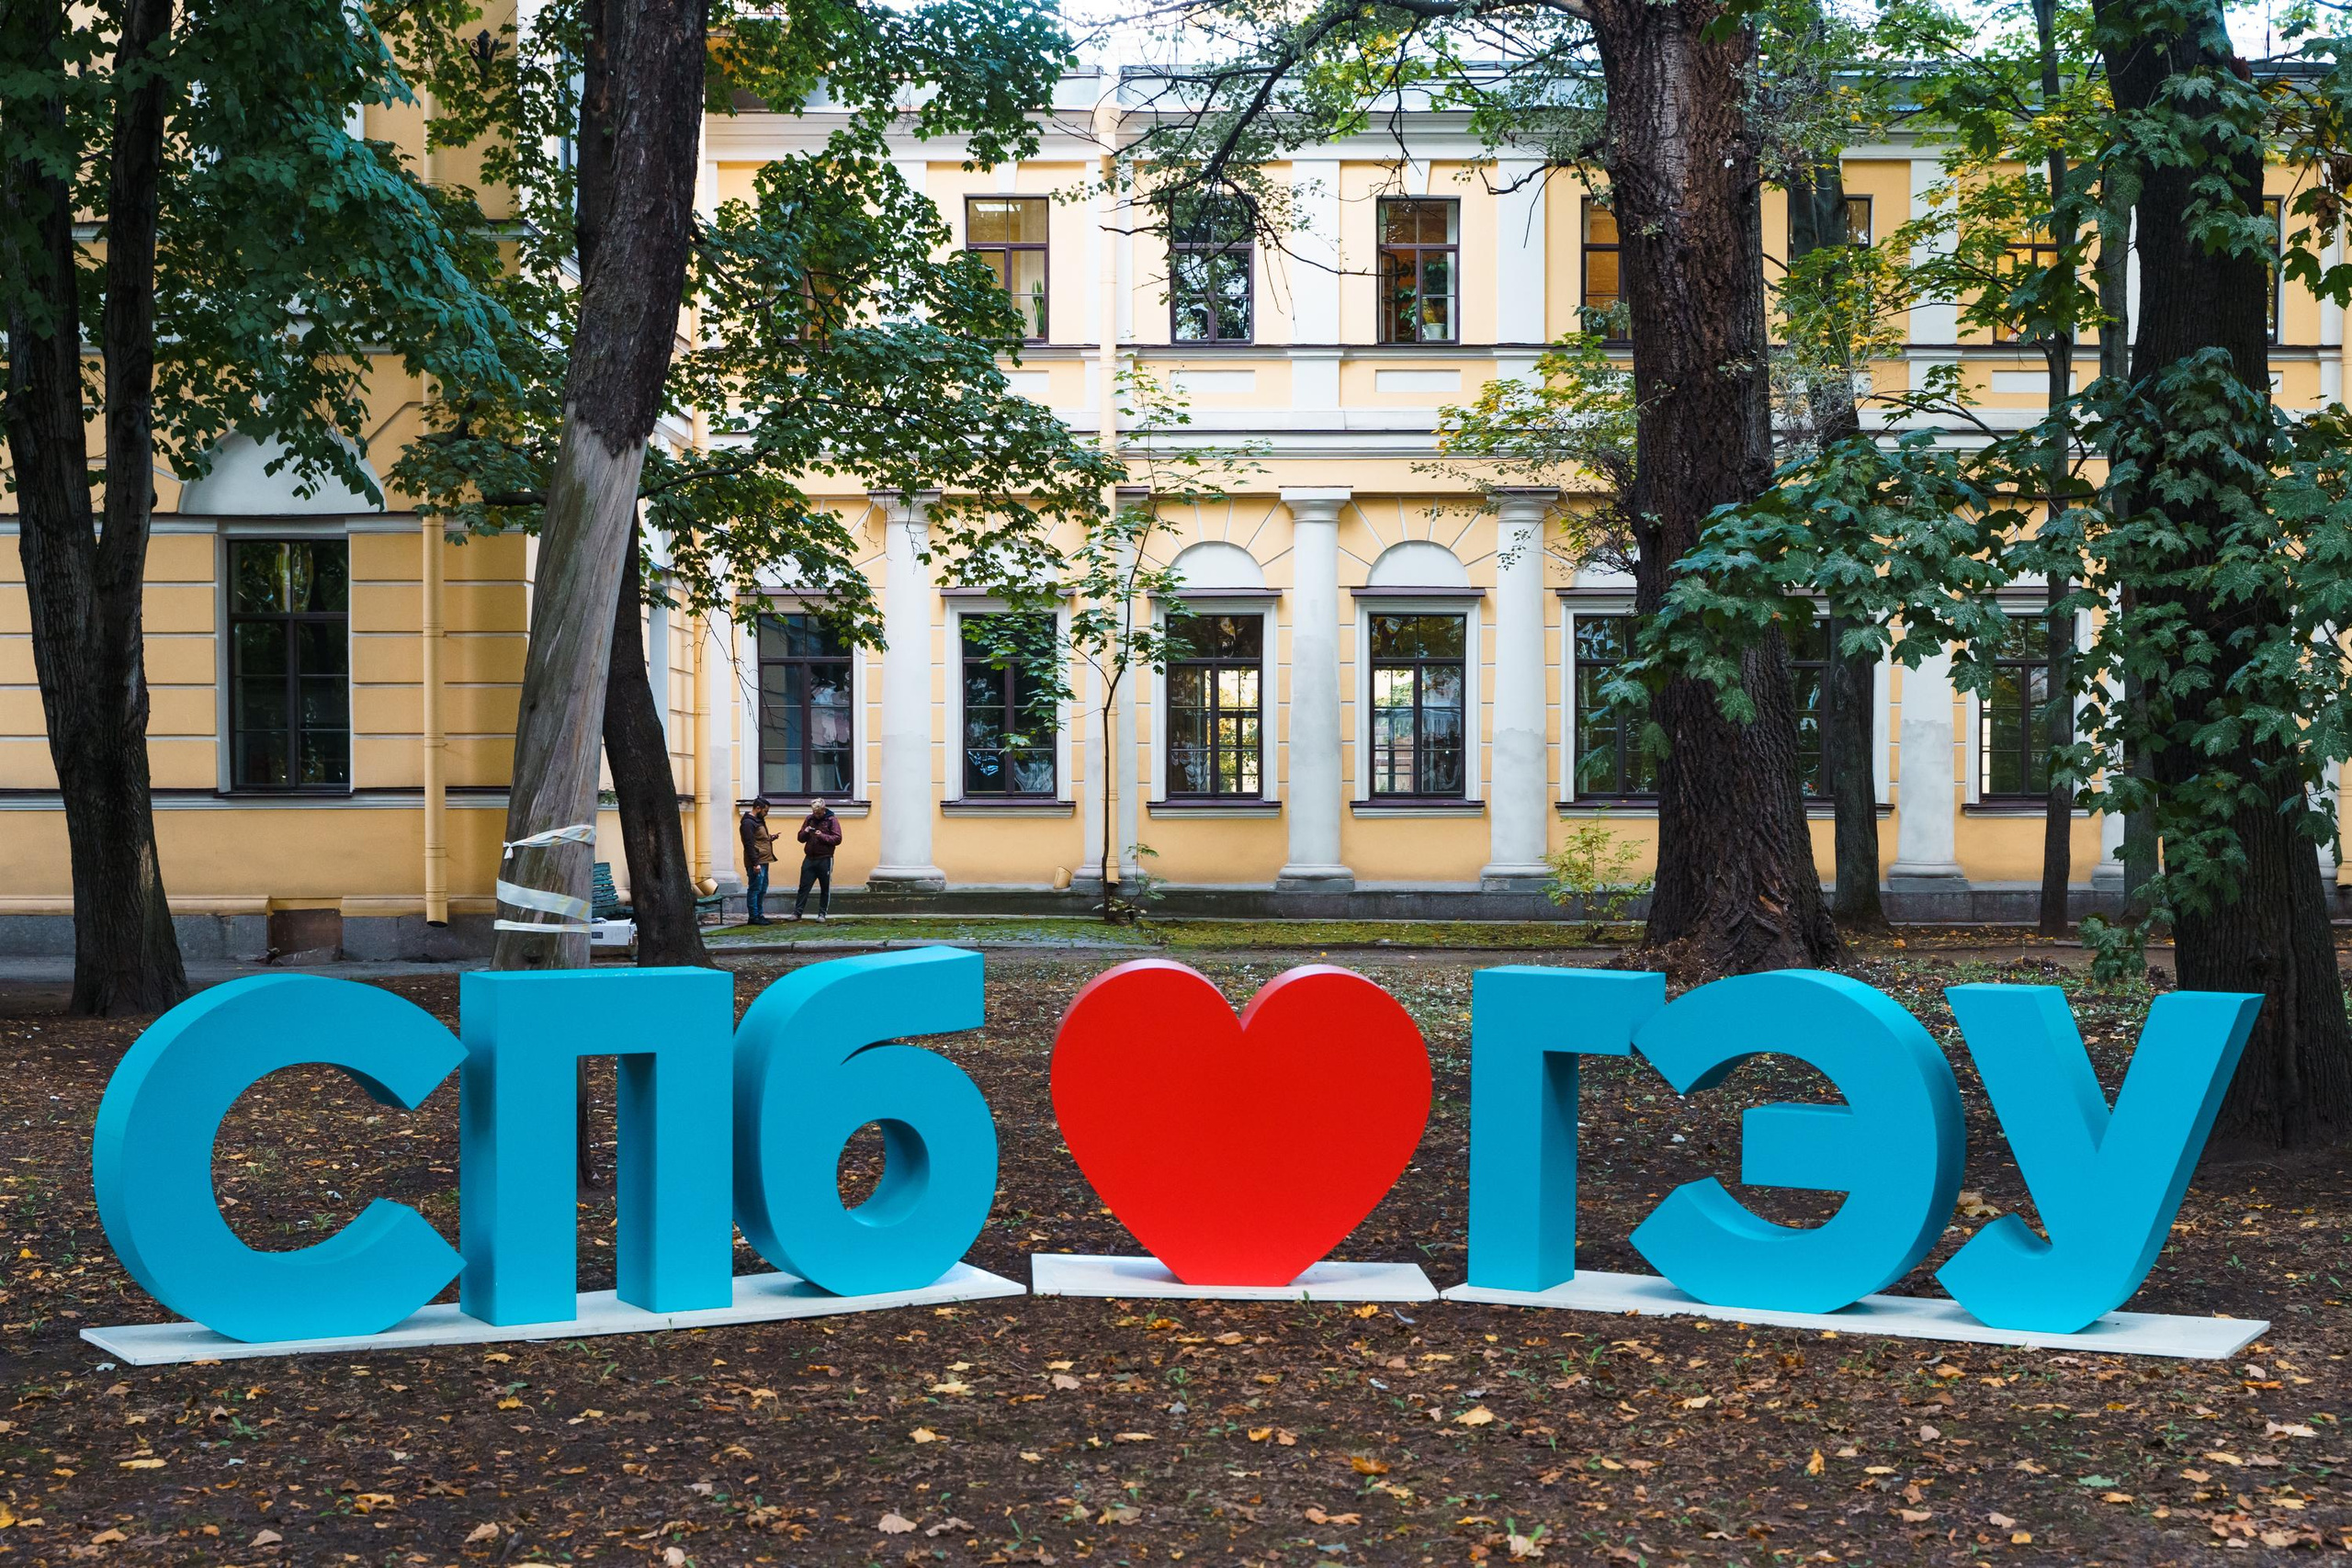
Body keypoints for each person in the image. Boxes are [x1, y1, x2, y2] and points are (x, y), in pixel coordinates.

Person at [793, 800, 842, 920]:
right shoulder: (809, 819)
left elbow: (837, 839)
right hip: (809, 858)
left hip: (825, 858)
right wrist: (805, 832)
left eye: (819, 813)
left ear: (823, 809)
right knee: (803, 887)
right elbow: (800, 839)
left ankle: (822, 914)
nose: (817, 815)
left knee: (825, 887)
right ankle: (797, 913)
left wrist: (821, 836)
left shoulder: (832, 820)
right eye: (815, 812)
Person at [739, 799, 777, 924]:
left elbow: (758, 839)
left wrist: (770, 838)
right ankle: (753, 917)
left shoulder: (758, 821)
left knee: (762, 888)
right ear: (758, 808)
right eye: (766, 811)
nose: (767, 813)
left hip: (764, 859)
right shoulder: (748, 823)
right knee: (755, 889)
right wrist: (755, 863)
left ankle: (760, 915)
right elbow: (749, 844)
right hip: (756, 861)